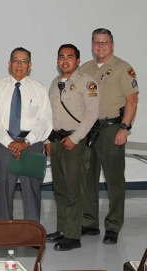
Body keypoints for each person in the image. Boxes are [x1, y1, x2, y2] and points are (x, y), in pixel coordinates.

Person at [80, 28, 139, 245]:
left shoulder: (123, 68)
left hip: (112, 128)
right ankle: (90, 222)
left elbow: (132, 100)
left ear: (112, 45)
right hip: (89, 129)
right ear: (92, 45)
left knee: (114, 181)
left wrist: (124, 128)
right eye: (97, 42)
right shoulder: (85, 69)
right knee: (87, 178)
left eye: (105, 42)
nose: (100, 46)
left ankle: (113, 225)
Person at [45, 44, 100, 251]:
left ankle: (73, 235)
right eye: (61, 57)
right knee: (59, 189)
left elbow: (92, 114)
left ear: (78, 60)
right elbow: (49, 114)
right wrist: (47, 141)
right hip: (57, 142)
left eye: (69, 57)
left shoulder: (87, 83)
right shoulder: (54, 83)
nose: (64, 60)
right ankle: (62, 229)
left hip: (75, 143)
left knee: (74, 190)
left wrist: (75, 138)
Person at [0, 47, 52, 222]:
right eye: (16, 60)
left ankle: (31, 233)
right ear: (9, 64)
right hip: (3, 143)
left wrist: (26, 142)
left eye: (24, 61)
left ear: (30, 66)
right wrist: (10, 142)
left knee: (32, 191)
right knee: (4, 192)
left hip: (31, 144)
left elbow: (45, 121)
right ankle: (5, 232)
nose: (19, 64)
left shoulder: (39, 88)